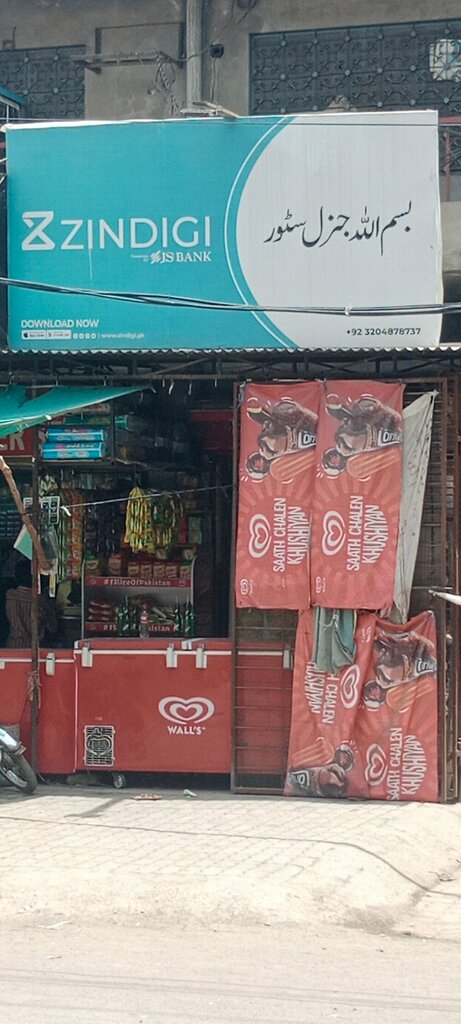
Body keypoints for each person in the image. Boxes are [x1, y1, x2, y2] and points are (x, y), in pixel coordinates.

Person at [5, 559, 58, 649]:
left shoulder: (10, 595)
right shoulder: (40, 600)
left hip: (13, 646)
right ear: (35, 577)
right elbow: (53, 627)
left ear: (16, 577)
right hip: (35, 649)